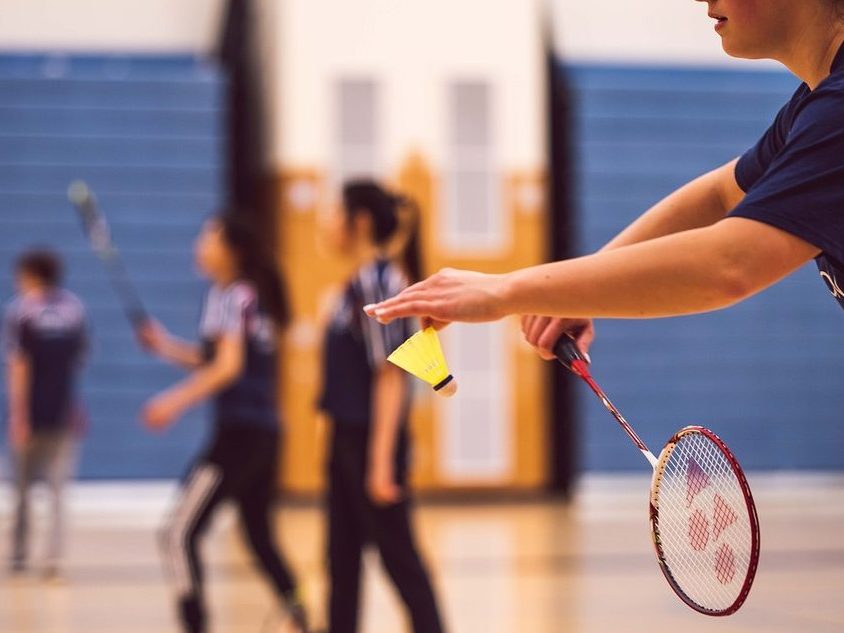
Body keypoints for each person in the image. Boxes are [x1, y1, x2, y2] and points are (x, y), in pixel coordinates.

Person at [365, 0, 844, 363]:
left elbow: (730, 264)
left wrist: (505, 290)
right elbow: (720, 193)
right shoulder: (813, 106)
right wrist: (572, 290)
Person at [136, 213, 309, 633]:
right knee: (259, 537)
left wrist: (172, 401)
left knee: (177, 533)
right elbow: (220, 359)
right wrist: (166, 347)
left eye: (208, 238)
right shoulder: (252, 297)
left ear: (233, 251)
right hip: (266, 434)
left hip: (240, 437)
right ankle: (301, 616)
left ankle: (195, 625)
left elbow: (227, 368)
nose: (199, 245)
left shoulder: (231, 295)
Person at [318, 181, 446, 633]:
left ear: (361, 221)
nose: (326, 222)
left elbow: (390, 375)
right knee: (341, 561)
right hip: (346, 440)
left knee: (400, 561)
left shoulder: (379, 281)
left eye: (335, 212)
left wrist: (378, 464)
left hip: (371, 443)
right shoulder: (355, 283)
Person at [3, 248, 88, 579]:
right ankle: (54, 560)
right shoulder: (74, 310)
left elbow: (18, 366)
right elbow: (75, 366)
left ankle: (20, 556)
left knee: (22, 490)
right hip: (63, 413)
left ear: (30, 275)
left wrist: (18, 415)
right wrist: (76, 406)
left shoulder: (21, 312)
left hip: (33, 415)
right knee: (57, 491)